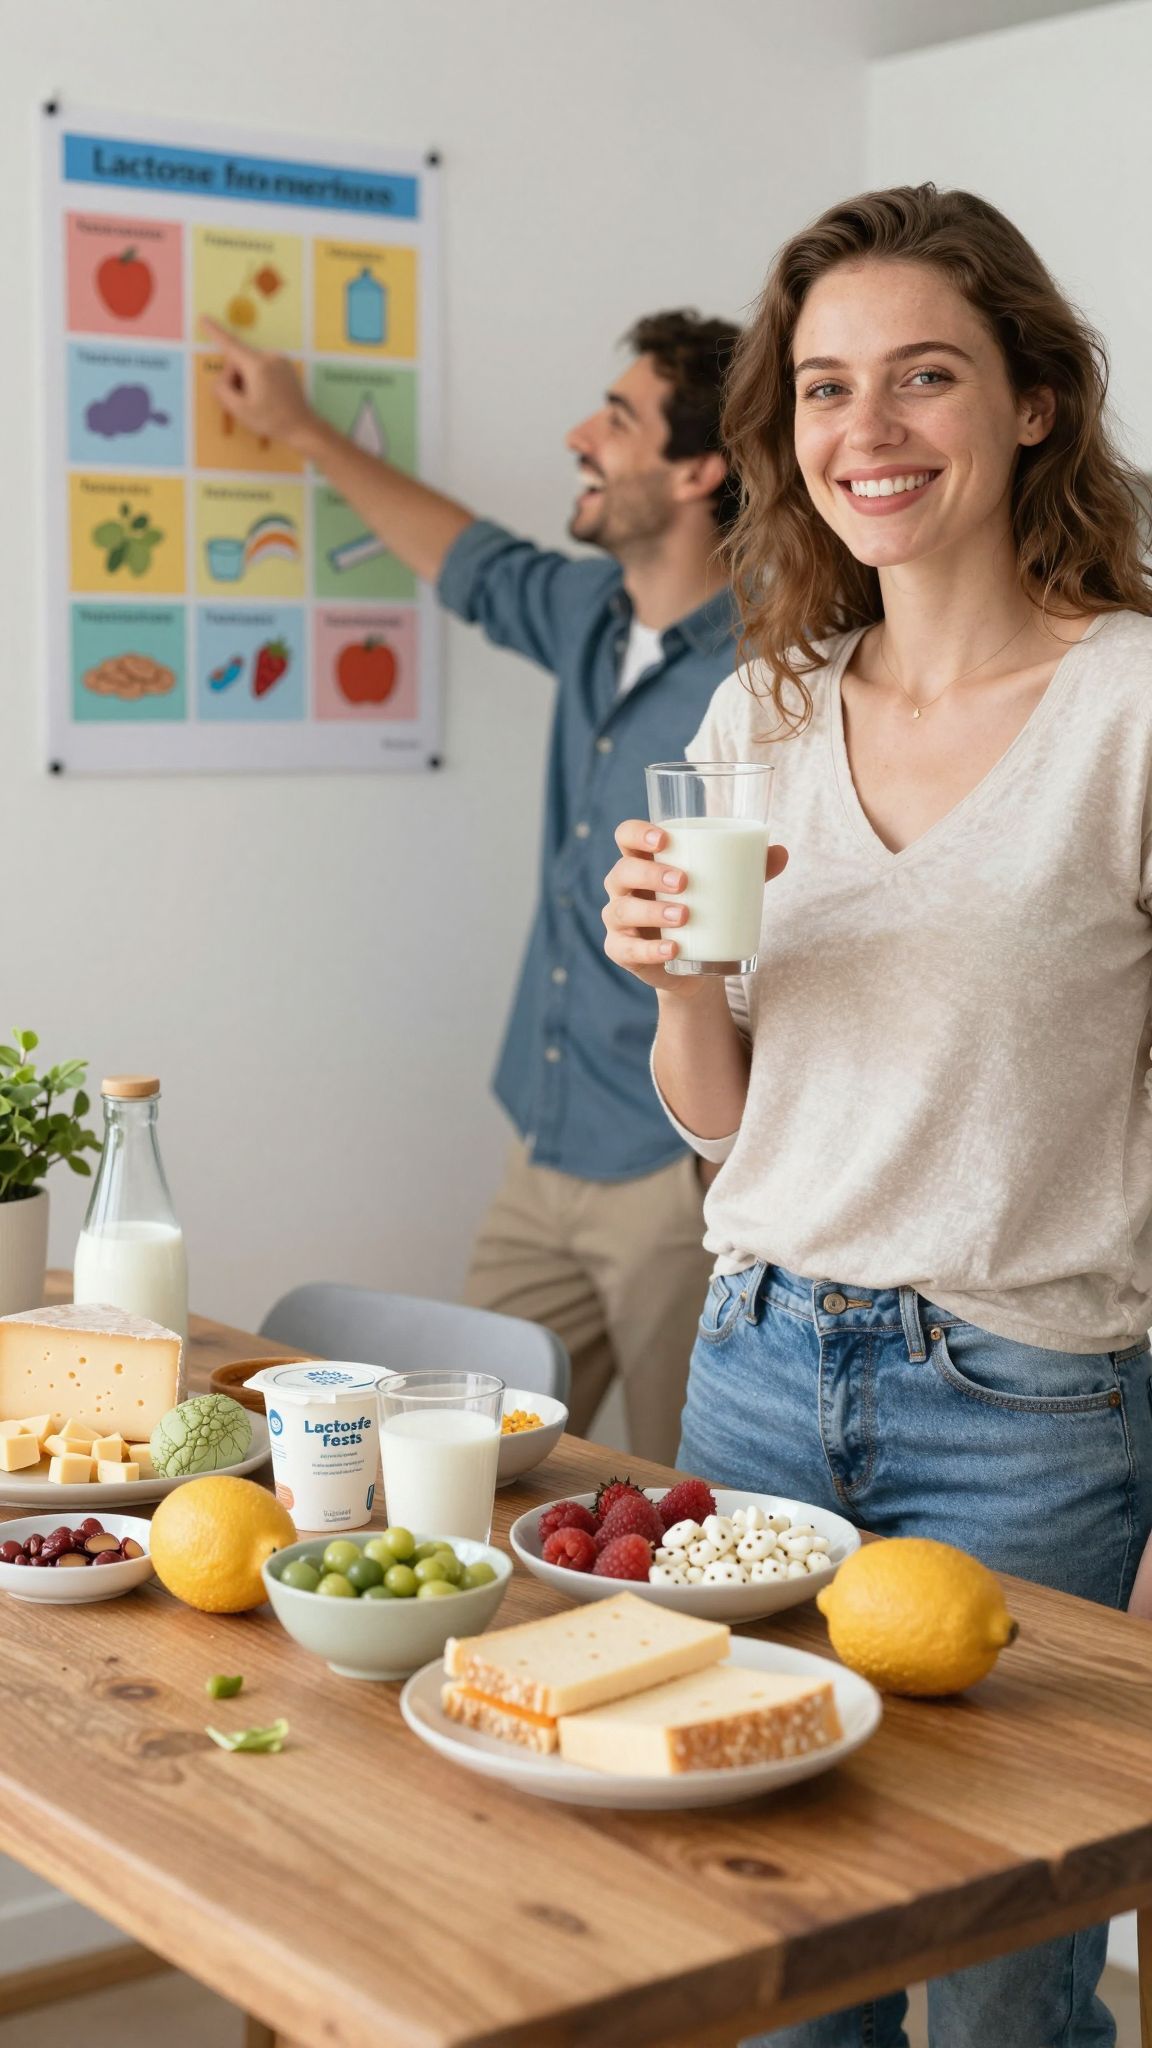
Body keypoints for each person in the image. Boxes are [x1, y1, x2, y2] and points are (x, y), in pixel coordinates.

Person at [602, 183, 1152, 2047]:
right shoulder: (764, 710)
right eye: (827, 388)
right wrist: (679, 981)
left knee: (1003, 1990)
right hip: (755, 1366)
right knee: (776, 1958)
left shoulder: (1130, 709)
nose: (869, 430)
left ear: (1030, 403)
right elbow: (723, 1131)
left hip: (1031, 1407)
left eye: (925, 375)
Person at [205, 307, 741, 1460]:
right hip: (539, 1141)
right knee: (444, 1459)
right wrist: (298, 425)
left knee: (690, 1510)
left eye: (618, 415)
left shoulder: (771, 667)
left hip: (676, 1174)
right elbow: (466, 556)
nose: (577, 435)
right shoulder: (592, 616)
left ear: (700, 467)